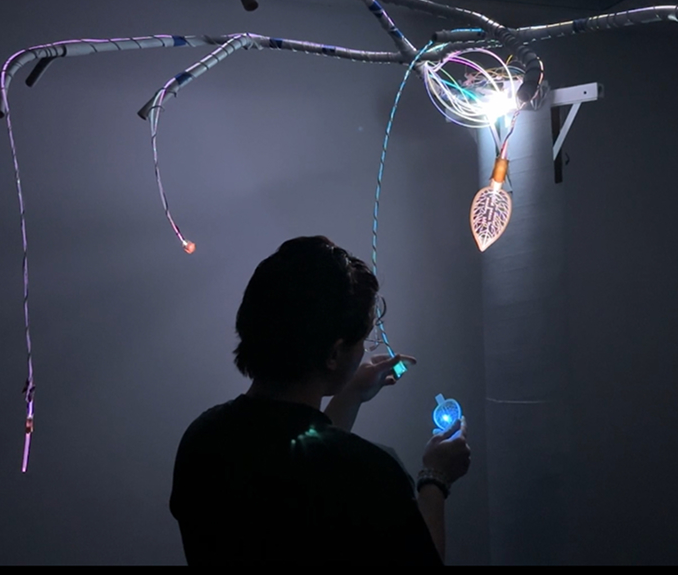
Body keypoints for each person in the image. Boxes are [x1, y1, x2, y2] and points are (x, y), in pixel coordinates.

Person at [169, 236, 471, 565]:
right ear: (334, 353)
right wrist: (435, 478)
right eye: (364, 338)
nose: (365, 350)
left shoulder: (203, 441)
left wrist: (351, 394)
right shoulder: (371, 476)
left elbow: (294, 466)